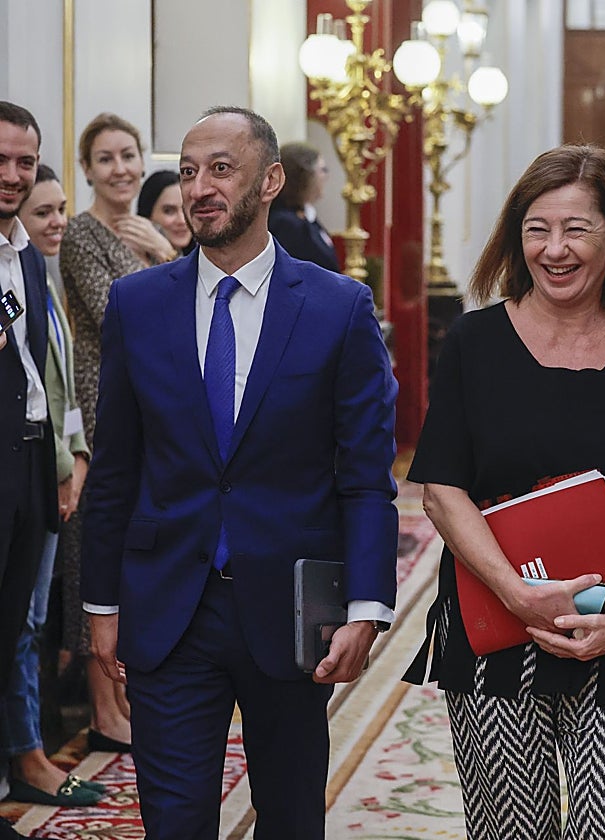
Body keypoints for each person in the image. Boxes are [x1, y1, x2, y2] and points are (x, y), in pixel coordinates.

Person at [80, 105, 399, 840]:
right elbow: (118, 468)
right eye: (189, 172)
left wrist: (367, 605)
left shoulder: (336, 307)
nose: (199, 188)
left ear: (270, 180)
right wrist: (100, 603)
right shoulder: (138, 304)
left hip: (291, 612)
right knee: (175, 820)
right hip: (169, 608)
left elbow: (364, 477)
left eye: (221, 169)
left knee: (289, 819)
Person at [403, 144, 605, 839]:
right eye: (537, 228)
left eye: (576, 229)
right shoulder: (475, 345)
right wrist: (515, 590)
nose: (555, 249)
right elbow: (442, 491)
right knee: (510, 828)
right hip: (494, 623)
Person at [61, 112, 169, 755]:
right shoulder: (81, 232)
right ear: (88, 169)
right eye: (105, 159)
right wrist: (159, 255)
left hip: (146, 403)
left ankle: (127, 696)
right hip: (100, 404)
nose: (121, 168)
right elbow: (118, 314)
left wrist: (158, 249)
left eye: (128, 155)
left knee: (133, 555)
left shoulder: (144, 231)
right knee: (93, 557)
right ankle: (102, 708)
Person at [2, 165, 100, 809]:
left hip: (49, 467)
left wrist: (75, 457)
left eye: (61, 209)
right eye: (42, 213)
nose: (55, 223)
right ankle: (27, 752)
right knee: (25, 625)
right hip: (30, 468)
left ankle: (27, 748)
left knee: (29, 622)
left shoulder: (38, 274)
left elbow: (52, 383)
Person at [0, 101, 58, 840]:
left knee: (10, 631)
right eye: (1, 161)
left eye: (24, 162)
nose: (12, 176)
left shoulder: (27, 254)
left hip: (26, 474)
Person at [268, 141, 338, 272]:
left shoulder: (305, 214)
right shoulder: (285, 223)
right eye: (323, 170)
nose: (326, 176)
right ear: (304, 176)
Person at [137, 170, 194, 256]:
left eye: (186, 209)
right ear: (147, 217)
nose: (182, 220)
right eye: (169, 211)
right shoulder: (133, 260)